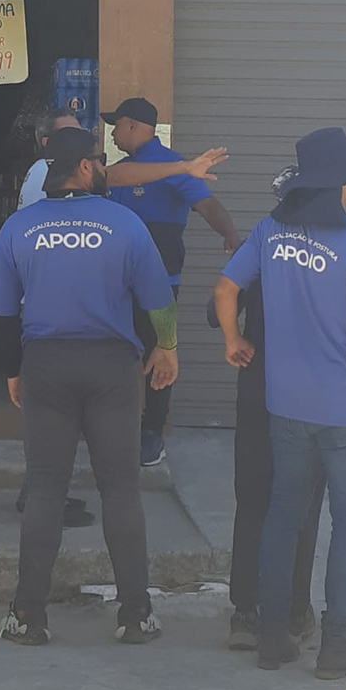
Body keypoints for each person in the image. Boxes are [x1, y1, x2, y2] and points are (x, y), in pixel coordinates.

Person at [215, 127, 346, 679]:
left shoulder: (268, 233)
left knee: (283, 516)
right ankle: (336, 646)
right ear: (338, 184)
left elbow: (226, 290)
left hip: (287, 407)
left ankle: (273, 638)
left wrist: (235, 342)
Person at [0, 127, 180, 646]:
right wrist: (168, 346)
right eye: (101, 158)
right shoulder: (126, 223)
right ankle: (135, 615)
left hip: (46, 363)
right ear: (87, 168)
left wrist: (13, 370)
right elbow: (158, 299)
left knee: (45, 487)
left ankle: (27, 617)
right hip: (112, 367)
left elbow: (1, 313)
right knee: (120, 488)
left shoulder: (19, 228)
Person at [13, 107, 229, 526]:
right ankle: (47, 503)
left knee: (55, 425)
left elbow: (122, 177)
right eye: (80, 145)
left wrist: (180, 167)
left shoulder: (59, 183)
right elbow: (118, 178)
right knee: (61, 426)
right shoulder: (46, 179)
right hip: (59, 326)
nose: (94, 153)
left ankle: (44, 500)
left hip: (57, 329)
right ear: (53, 150)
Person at [207, 165, 325, 652]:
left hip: (259, 380)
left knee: (253, 497)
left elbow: (216, 303)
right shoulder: (340, 249)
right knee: (302, 504)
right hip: (314, 392)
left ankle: (245, 613)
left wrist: (236, 339)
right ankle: (296, 610)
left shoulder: (261, 240)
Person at [104, 97, 241, 467]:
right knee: (115, 355)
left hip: (159, 283)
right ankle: (116, 428)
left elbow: (207, 205)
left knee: (159, 355)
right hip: (114, 283)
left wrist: (231, 236)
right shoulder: (120, 170)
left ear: (133, 125)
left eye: (116, 125)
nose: (112, 133)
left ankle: (152, 433)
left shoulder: (176, 166)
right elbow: (106, 182)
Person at [17, 107, 230, 210]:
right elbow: (115, 177)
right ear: (47, 143)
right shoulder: (43, 170)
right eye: (69, 134)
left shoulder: (45, 173)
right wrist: (184, 167)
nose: (80, 137)